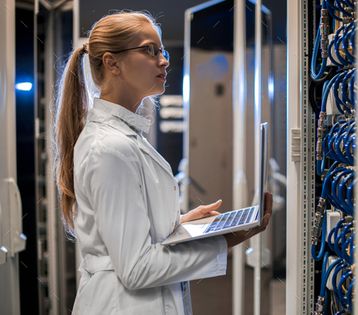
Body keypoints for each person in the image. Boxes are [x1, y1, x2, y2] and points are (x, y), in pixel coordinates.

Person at [53, 11, 272, 315]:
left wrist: (181, 225)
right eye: (149, 50)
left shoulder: (126, 137)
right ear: (111, 63)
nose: (164, 61)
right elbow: (137, 269)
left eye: (162, 51)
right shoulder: (110, 148)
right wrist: (223, 242)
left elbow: (134, 235)